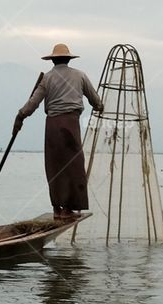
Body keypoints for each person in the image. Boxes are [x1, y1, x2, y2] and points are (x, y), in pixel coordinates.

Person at [13, 43, 104, 220]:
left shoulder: (47, 78)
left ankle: (57, 208)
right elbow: (95, 100)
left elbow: (33, 103)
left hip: (53, 125)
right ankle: (67, 209)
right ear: (68, 59)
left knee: (54, 165)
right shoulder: (80, 76)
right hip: (70, 123)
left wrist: (20, 116)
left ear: (53, 60)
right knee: (73, 165)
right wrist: (100, 106)